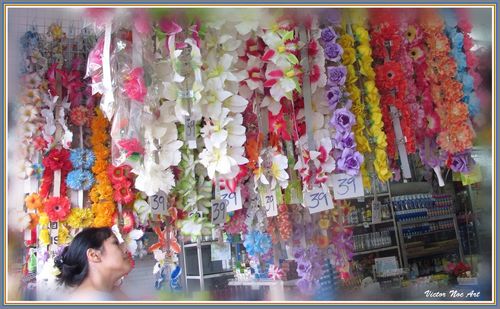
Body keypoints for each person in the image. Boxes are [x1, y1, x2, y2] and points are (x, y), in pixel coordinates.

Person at [54, 227, 132, 301]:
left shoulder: (112, 295)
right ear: (94, 255)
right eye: (115, 243)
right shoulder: (88, 300)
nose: (125, 249)